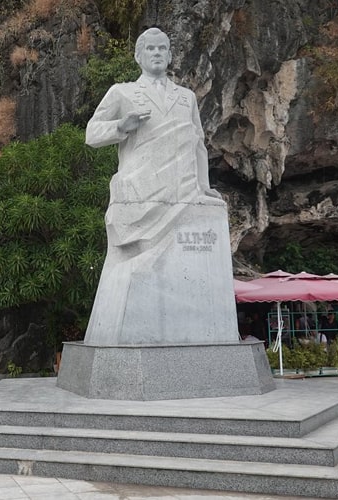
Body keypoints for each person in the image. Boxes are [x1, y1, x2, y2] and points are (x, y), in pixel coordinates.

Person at [81, 27, 233, 346]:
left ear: (169, 55)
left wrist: (204, 188)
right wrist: (121, 126)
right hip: (140, 193)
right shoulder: (122, 93)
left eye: (162, 49)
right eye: (150, 49)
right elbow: (92, 133)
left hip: (182, 192)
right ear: (138, 56)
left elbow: (198, 144)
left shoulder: (185, 97)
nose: (157, 54)